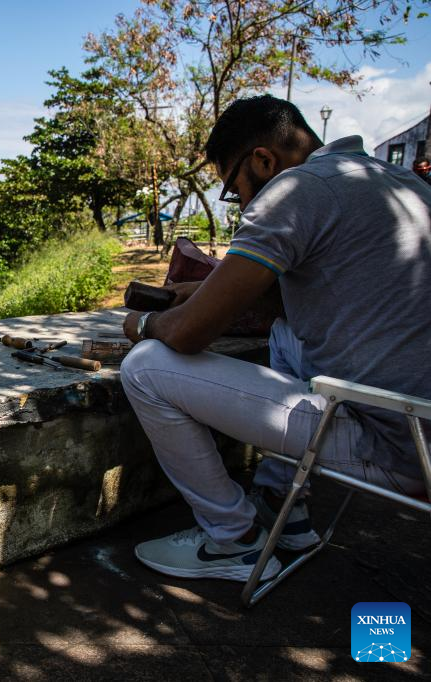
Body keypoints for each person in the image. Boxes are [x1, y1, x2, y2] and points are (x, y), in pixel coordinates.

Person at [120, 94, 431, 582]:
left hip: (394, 447)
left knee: (144, 367)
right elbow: (309, 289)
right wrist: (205, 289)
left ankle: (233, 540)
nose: (241, 205)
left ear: (263, 160)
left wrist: (143, 325)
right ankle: (284, 508)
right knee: (289, 333)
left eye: (234, 189)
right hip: (420, 427)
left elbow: (187, 334)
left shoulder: (295, 191)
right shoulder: (399, 183)